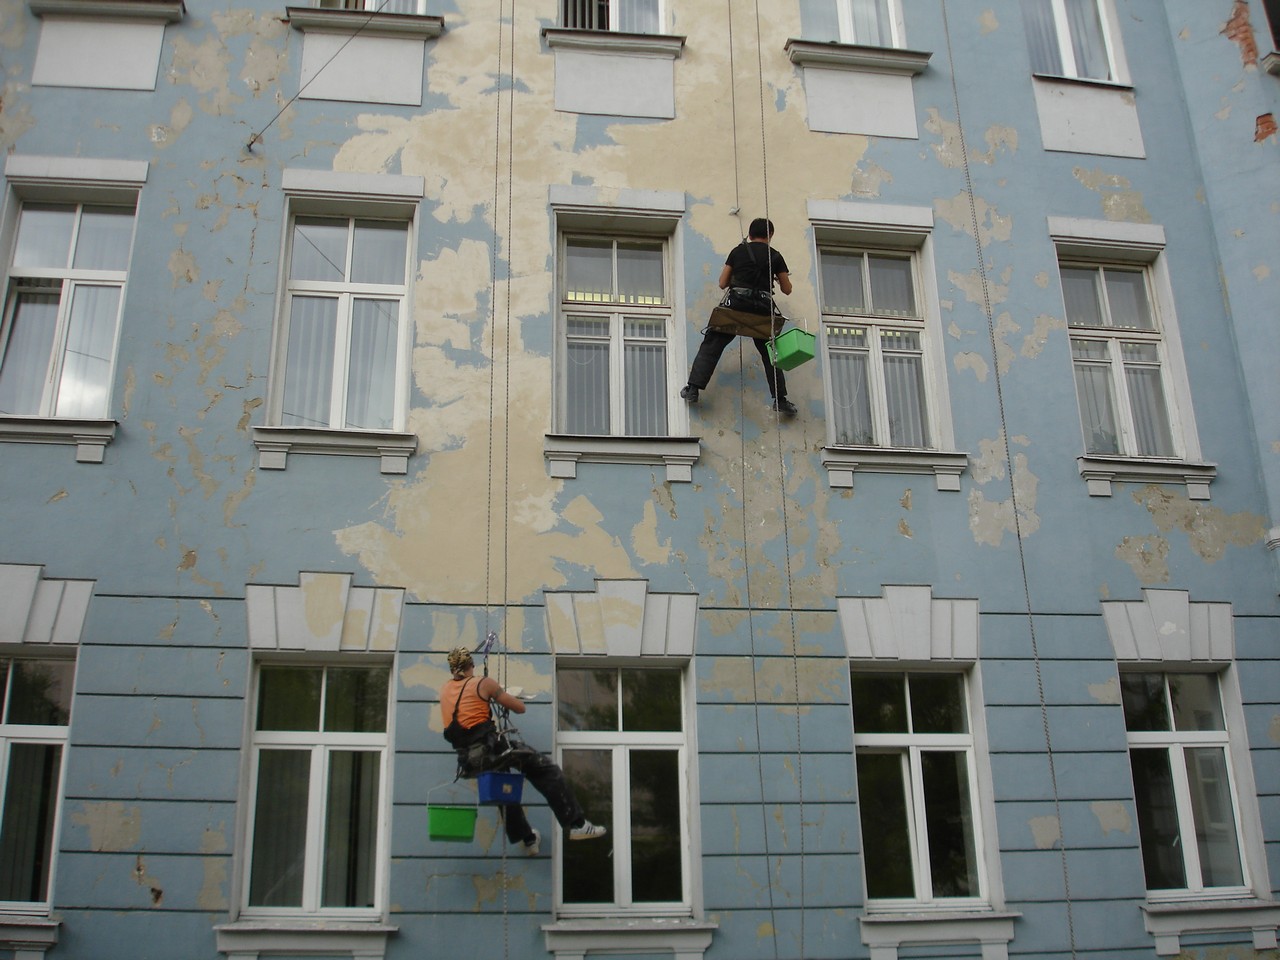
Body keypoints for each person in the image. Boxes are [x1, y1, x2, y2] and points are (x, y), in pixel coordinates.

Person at [439, 646, 606, 855]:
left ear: (452, 669)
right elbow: (520, 707)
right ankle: (577, 824)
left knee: (503, 789)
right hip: (492, 749)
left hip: (469, 759)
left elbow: (466, 709)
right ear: (470, 665)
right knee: (546, 770)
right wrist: (501, 693)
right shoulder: (483, 683)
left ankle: (528, 839)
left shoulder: (445, 689)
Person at [680, 217, 798, 416]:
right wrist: (777, 279)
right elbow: (787, 289)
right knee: (771, 353)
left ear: (750, 235)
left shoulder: (738, 251)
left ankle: (693, 389)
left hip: (737, 306)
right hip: (762, 309)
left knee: (713, 343)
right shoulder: (775, 256)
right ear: (770, 235)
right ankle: (781, 400)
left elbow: (722, 282)